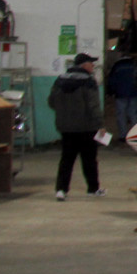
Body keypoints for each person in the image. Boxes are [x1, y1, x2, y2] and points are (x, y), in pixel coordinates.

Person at [49, 53, 103, 200]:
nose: (93, 66)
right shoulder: (89, 82)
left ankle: (61, 190)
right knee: (89, 160)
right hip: (86, 127)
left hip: (66, 127)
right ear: (84, 65)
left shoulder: (59, 80)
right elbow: (93, 106)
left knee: (66, 159)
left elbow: (51, 102)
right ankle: (93, 189)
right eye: (91, 63)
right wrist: (100, 124)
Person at [105, 53, 137, 141]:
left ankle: (123, 135)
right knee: (133, 113)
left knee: (121, 114)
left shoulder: (117, 67)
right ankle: (136, 135)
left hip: (120, 94)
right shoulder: (135, 65)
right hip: (134, 93)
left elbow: (112, 81)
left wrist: (111, 92)